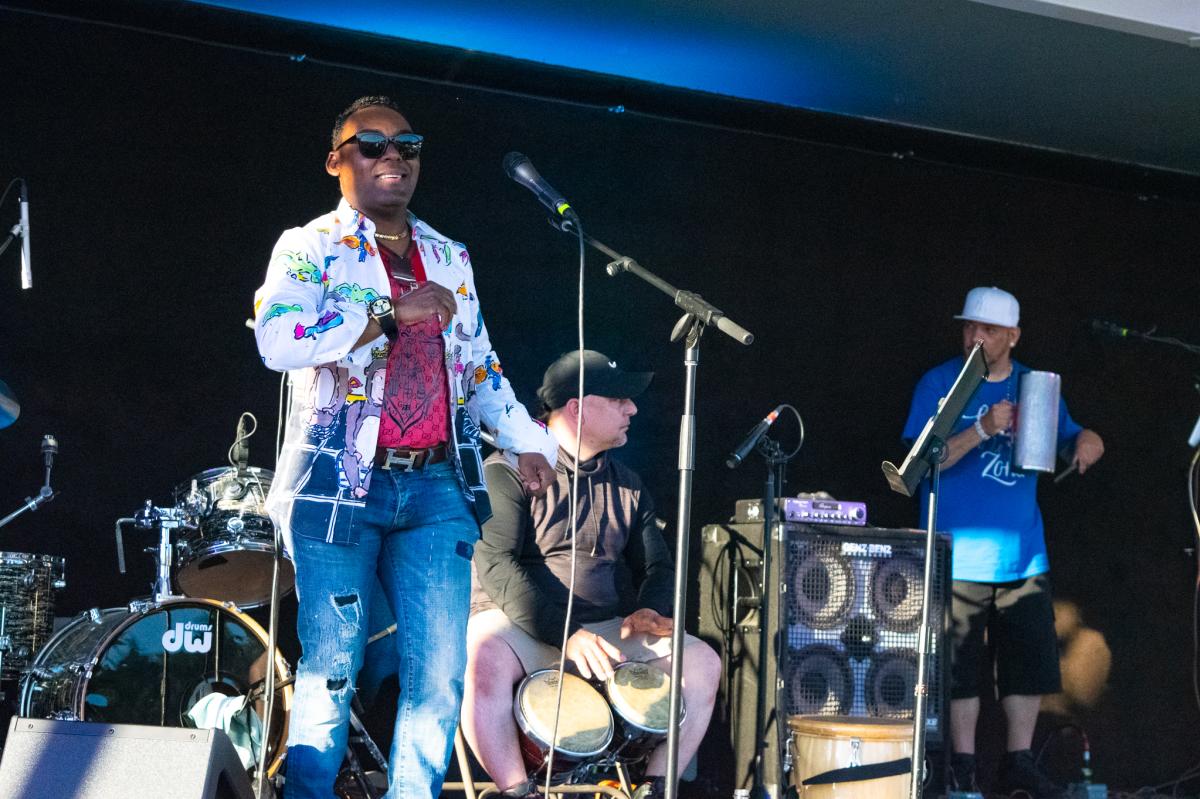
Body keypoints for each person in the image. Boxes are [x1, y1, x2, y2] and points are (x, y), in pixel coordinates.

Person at [253, 95, 556, 799]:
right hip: (337, 489)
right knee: (331, 662)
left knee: (438, 673)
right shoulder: (310, 246)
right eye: (373, 145)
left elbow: (479, 366)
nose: (393, 158)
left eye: (408, 146)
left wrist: (525, 439)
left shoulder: (450, 256)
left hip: (435, 488)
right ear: (338, 161)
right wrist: (390, 313)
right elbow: (277, 338)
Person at [462, 350, 722, 799]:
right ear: (577, 407)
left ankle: (656, 788)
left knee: (701, 661)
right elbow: (496, 566)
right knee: (483, 653)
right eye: (620, 399)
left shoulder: (629, 484)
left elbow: (658, 565)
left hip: (601, 632)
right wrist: (566, 634)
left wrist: (649, 609)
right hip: (519, 627)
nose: (633, 409)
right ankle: (515, 791)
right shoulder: (509, 470)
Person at [901, 287, 1104, 799]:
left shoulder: (1035, 386)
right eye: (969, 326)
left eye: (988, 330)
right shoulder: (942, 383)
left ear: (1012, 337)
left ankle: (1018, 762)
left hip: (1022, 554)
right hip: (957, 551)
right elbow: (921, 462)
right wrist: (983, 428)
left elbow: (1072, 434)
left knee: (1028, 664)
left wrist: (1086, 442)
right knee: (960, 665)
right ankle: (962, 767)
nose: (975, 336)